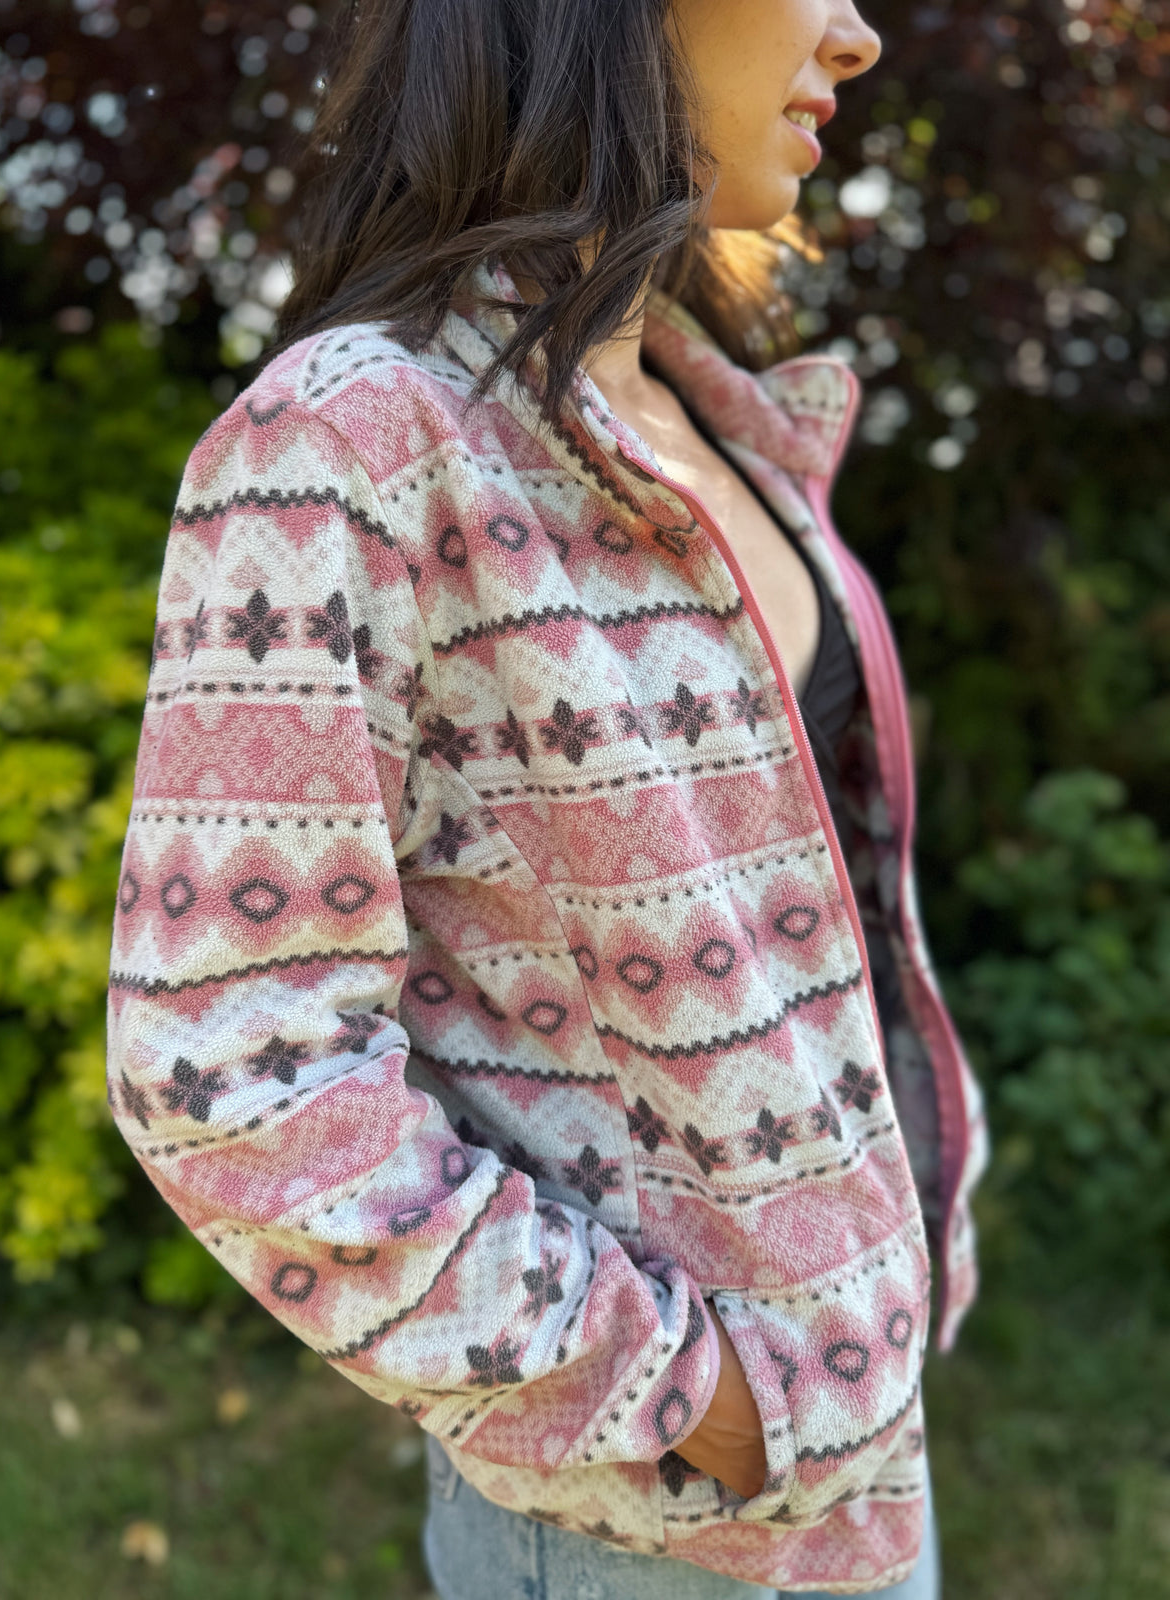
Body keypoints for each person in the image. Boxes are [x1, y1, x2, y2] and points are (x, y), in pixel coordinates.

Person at [105, 0, 990, 1593]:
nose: (860, 36)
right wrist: (692, 1399)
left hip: (868, 1459)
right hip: (648, 1530)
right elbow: (232, 1073)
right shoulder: (357, 438)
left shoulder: (720, 423)